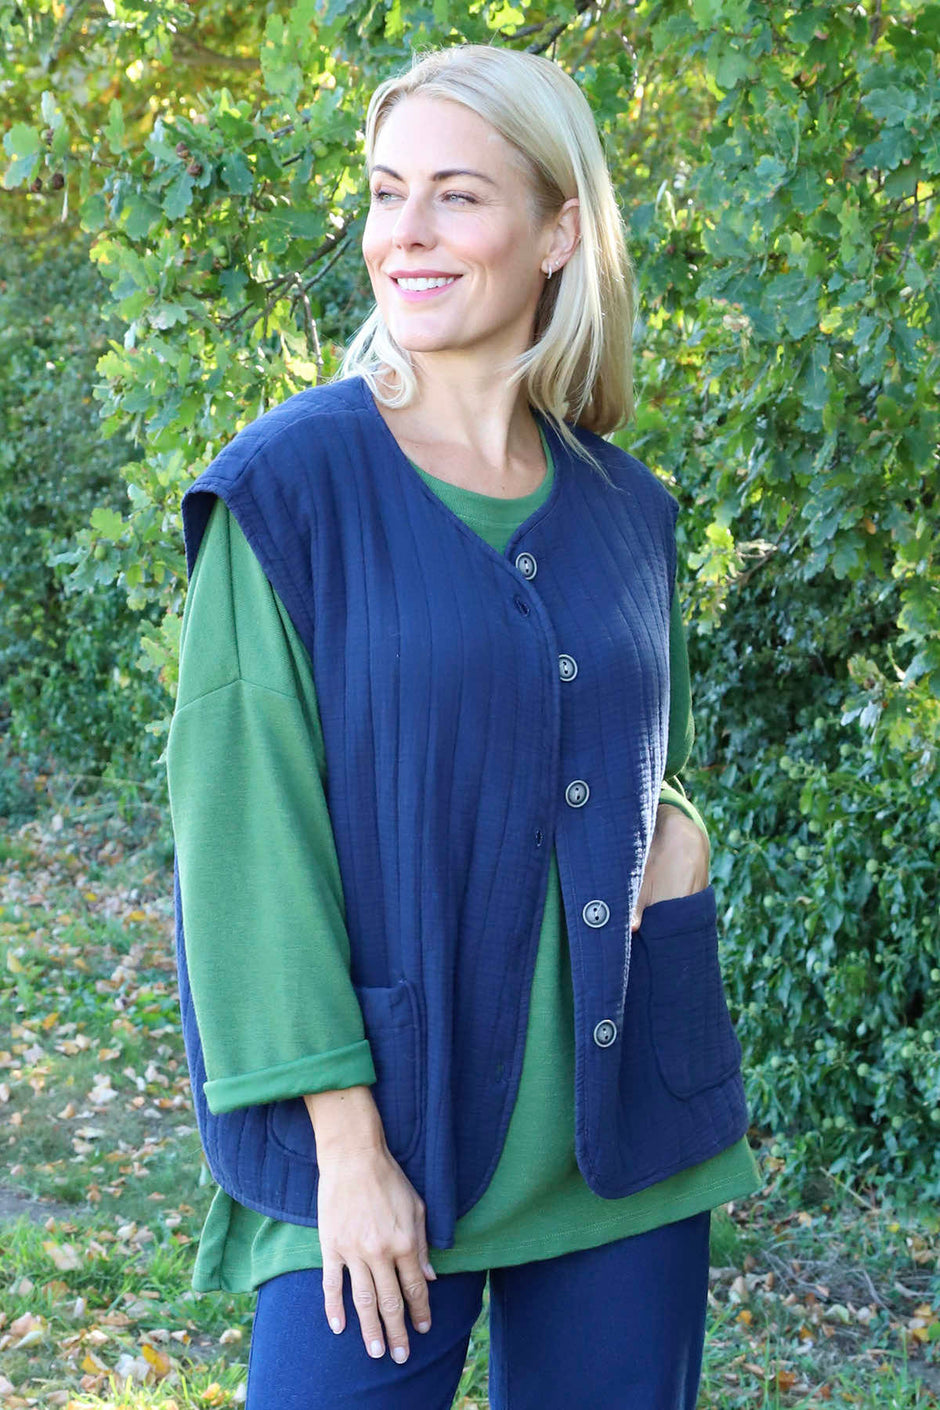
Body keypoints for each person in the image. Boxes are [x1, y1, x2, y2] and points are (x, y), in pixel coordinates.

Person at [166, 43, 761, 1410]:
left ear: (558, 233)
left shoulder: (628, 508)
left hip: (623, 1137)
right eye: (388, 193)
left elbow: (621, 741)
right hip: (389, 1133)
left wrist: (679, 834)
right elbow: (245, 833)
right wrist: (345, 1148)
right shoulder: (290, 491)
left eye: (459, 195)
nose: (407, 233)